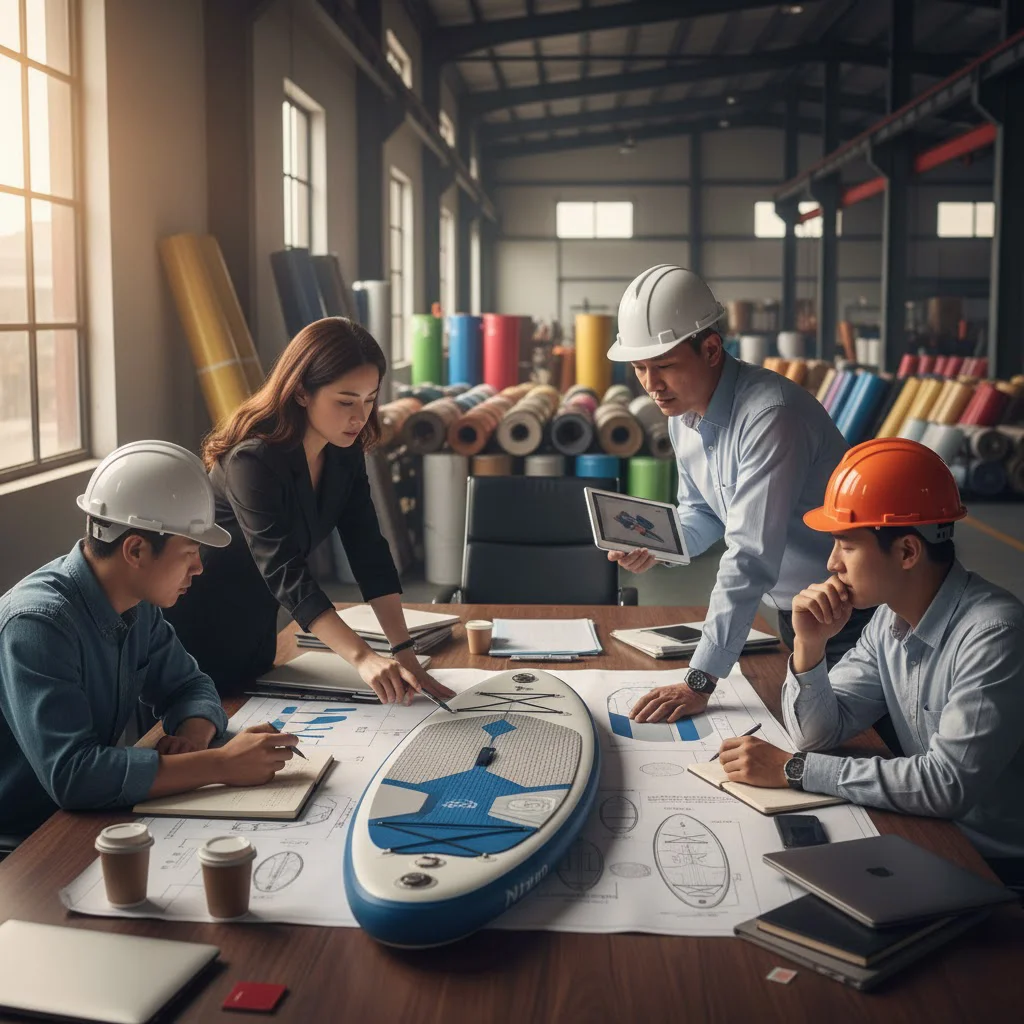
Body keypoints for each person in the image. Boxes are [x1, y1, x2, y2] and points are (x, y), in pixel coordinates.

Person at [717, 439, 1024, 885]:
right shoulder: (889, 619)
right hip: (932, 834)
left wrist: (793, 770)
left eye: (847, 545)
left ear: (906, 552)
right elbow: (817, 734)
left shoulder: (994, 635)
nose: (831, 562)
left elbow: (945, 785)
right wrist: (810, 645)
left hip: (994, 865)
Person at [604, 265, 870, 726]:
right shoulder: (680, 413)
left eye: (664, 365)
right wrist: (659, 544)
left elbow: (749, 554)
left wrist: (700, 679)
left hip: (853, 615)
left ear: (710, 349)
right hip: (798, 612)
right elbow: (703, 513)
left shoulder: (770, 415)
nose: (651, 384)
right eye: (639, 368)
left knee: (854, 745)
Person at [0, 442, 300, 840]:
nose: (198, 567)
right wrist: (219, 764)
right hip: (24, 844)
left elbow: (190, 685)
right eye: (190, 551)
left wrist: (194, 738)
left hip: (87, 817)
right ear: (136, 549)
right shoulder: (37, 624)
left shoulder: (136, 605)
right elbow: (73, 775)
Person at [165, 317, 455, 706]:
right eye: (345, 401)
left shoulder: (343, 451)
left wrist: (404, 650)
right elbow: (284, 568)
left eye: (370, 400)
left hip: (257, 630)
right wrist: (363, 658)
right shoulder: (252, 460)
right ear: (301, 392)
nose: (360, 417)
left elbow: (368, 548)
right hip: (194, 635)